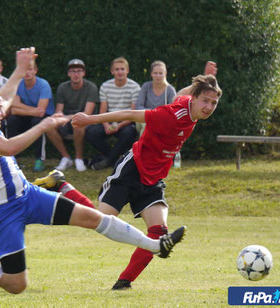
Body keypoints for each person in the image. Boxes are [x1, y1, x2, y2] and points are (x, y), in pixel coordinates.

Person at [0, 47, 186, 295]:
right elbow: (8, 147)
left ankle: (156, 245)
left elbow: (1, 99)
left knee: (93, 218)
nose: (3, 112)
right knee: (16, 285)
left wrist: (19, 69)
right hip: (2, 210)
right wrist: (44, 124)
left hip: (27, 194)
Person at [72, 73, 222, 290]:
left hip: (153, 179)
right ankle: (63, 186)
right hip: (132, 170)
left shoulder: (189, 104)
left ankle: (124, 283)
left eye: (214, 103)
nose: (209, 107)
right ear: (195, 98)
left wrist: (205, 82)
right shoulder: (171, 114)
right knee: (98, 220)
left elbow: (181, 93)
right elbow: (131, 114)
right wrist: (90, 119)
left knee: (159, 231)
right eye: (205, 101)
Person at [85, 57, 140, 170]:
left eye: (122, 69)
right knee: (90, 132)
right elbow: (102, 111)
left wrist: (119, 125)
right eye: (117, 69)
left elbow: (134, 114)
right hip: (109, 118)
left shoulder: (134, 87)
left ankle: (108, 160)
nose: (120, 72)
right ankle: (115, 158)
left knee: (130, 132)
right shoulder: (106, 86)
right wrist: (106, 125)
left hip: (126, 121)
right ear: (112, 71)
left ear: (127, 70)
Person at [45, 59, 99, 172]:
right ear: (68, 73)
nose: (76, 74)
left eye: (79, 71)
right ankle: (66, 157)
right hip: (66, 120)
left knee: (78, 123)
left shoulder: (91, 87)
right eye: (73, 71)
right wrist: (58, 117)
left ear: (83, 73)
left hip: (85, 120)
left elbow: (87, 113)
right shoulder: (62, 88)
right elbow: (59, 110)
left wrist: (68, 117)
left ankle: (78, 158)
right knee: (48, 125)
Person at [6, 59, 54, 172]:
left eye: (30, 69)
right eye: (25, 69)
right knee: (11, 120)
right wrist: (32, 110)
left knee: (37, 122)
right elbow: (13, 108)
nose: (27, 72)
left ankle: (39, 159)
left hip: (42, 117)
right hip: (28, 114)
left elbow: (41, 112)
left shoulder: (43, 85)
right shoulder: (18, 84)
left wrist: (21, 107)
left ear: (35, 71)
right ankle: (12, 158)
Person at [135, 60, 176, 135]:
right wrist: (152, 114)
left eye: (161, 73)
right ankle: (144, 146)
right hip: (144, 119)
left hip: (162, 121)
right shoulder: (146, 87)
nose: (158, 76)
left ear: (165, 74)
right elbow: (138, 106)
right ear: (151, 74)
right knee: (147, 125)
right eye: (155, 73)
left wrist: (158, 116)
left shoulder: (170, 90)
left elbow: (173, 111)